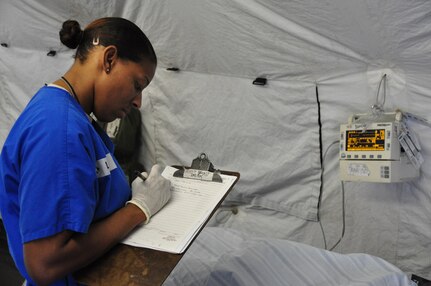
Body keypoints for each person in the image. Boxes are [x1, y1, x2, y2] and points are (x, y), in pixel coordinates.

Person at [0, 17, 172, 286]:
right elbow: (44, 263)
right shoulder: (59, 128)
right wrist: (138, 209)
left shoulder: (72, 116)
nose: (138, 101)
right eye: (137, 85)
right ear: (109, 59)